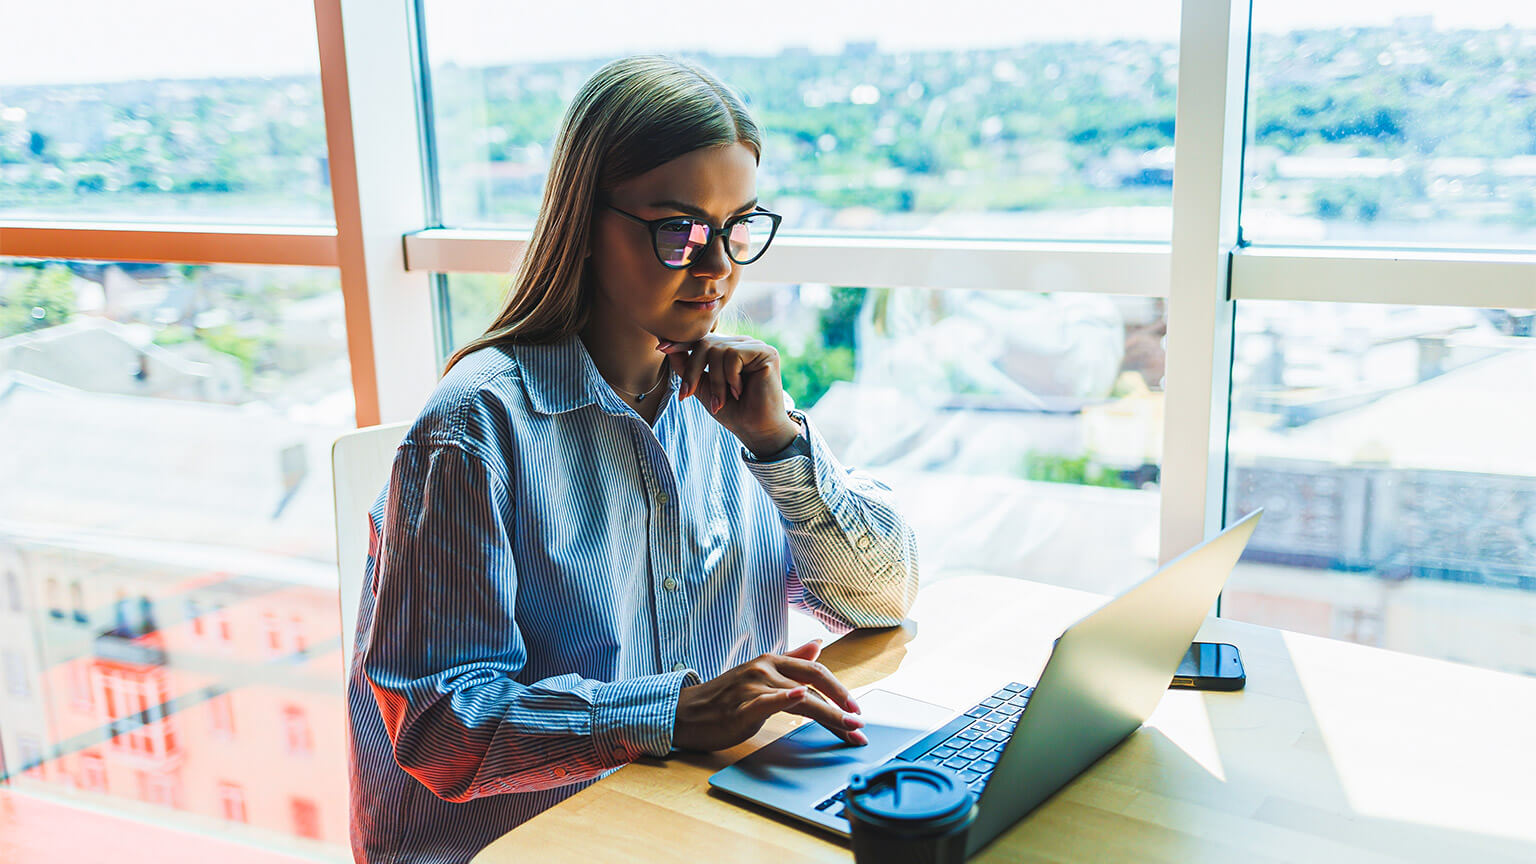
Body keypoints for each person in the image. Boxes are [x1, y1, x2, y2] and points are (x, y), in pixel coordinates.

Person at [346, 55, 920, 864]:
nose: (717, 267)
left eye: (737, 228)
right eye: (680, 230)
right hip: (529, 845)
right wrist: (672, 714)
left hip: (692, 819)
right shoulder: (475, 429)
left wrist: (779, 446)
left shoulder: (736, 404)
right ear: (584, 224)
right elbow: (441, 725)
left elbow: (882, 599)